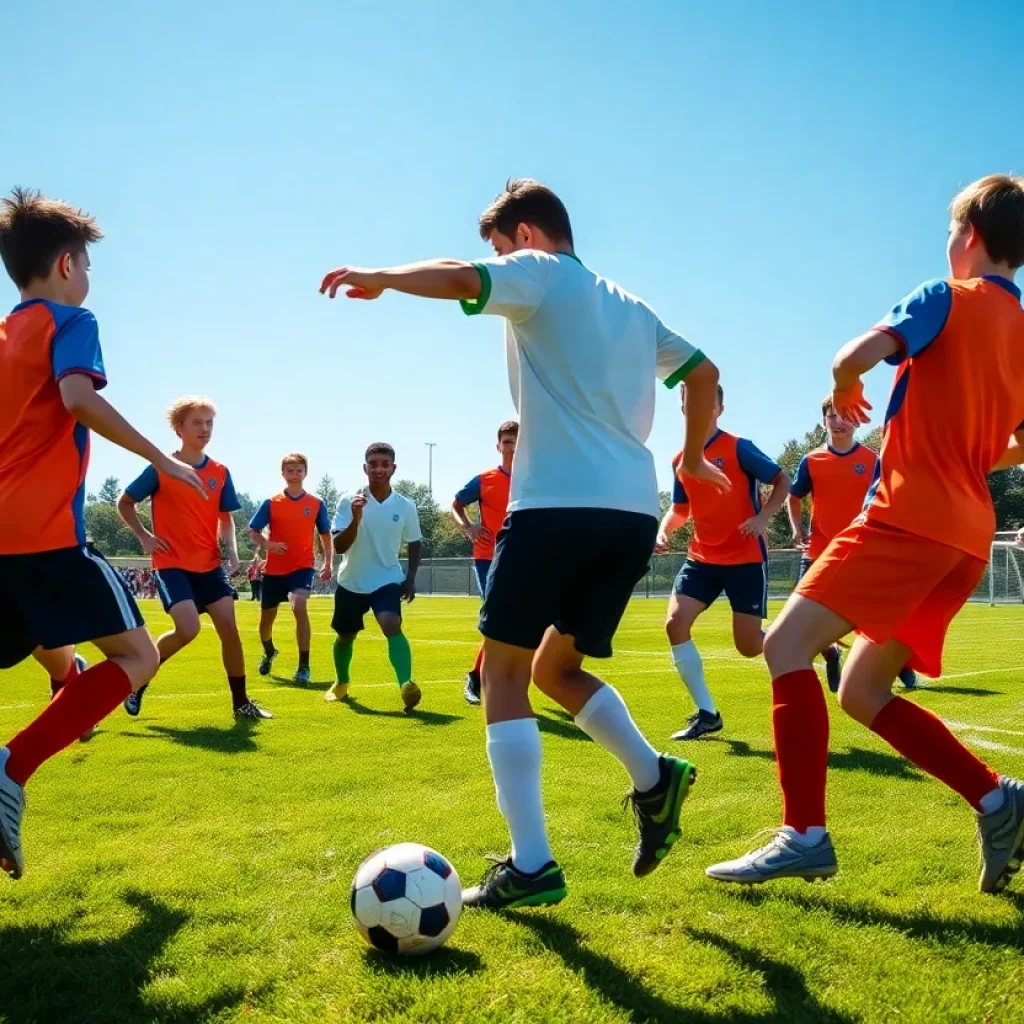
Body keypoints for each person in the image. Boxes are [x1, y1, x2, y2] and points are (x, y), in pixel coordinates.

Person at [321, 177, 726, 910]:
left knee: (503, 675)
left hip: (556, 506)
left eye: (503, 247)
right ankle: (655, 778)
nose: (501, 263)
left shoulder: (539, 273)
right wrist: (693, 457)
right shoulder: (632, 307)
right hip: (631, 511)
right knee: (554, 670)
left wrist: (381, 276)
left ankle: (532, 865)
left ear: (529, 237)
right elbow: (705, 375)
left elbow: (458, 276)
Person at [706, 174, 1024, 893]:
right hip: (968, 536)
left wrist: (845, 380)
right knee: (860, 691)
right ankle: (998, 799)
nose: (947, 242)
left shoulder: (944, 294)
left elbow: (853, 356)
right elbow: (1020, 445)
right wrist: (967, 448)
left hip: (909, 518)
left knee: (785, 646)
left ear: (969, 235)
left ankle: (804, 835)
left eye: (950, 229)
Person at [0, 187, 204, 880]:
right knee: (139, 657)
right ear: (65, 263)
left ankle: (64, 693)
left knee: (52, 649)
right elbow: (79, 399)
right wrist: (162, 459)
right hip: (43, 531)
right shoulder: (71, 320)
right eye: (86, 265)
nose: (87, 278)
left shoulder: (3, 336)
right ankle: (12, 766)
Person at [117, 397, 271, 720]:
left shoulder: (220, 471)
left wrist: (233, 552)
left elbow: (225, 519)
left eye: (209, 423)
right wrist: (144, 536)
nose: (205, 429)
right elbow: (125, 502)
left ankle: (241, 703)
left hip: (210, 565)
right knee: (188, 629)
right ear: (179, 428)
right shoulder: (162, 467)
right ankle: (138, 679)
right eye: (197, 423)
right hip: (171, 564)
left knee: (229, 628)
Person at [656, 384, 790, 740]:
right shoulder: (681, 459)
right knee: (675, 623)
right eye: (688, 402)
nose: (695, 408)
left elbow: (782, 480)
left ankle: (808, 641)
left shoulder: (738, 448)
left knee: (747, 646)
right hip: (702, 557)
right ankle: (707, 713)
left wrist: (763, 518)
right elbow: (681, 508)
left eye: (704, 402)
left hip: (744, 558)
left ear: (719, 408)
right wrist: (664, 529)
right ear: (683, 407)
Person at [788, 400, 918, 694]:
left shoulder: (874, 461)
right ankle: (832, 654)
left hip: (863, 551)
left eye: (846, 416)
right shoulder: (811, 460)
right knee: (801, 621)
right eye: (832, 415)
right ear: (824, 421)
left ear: (857, 421)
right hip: (819, 553)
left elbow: (890, 500)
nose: (838, 421)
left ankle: (900, 664)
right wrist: (797, 529)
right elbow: (793, 496)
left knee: (879, 617)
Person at [325, 444, 423, 711]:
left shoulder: (405, 506)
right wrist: (356, 519)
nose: (379, 468)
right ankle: (342, 682)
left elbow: (415, 543)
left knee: (391, 624)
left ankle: (406, 685)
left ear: (393, 468)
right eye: (373, 463)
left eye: (384, 464)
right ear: (365, 468)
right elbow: (341, 546)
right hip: (352, 581)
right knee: (346, 636)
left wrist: (410, 577)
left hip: (387, 579)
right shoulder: (349, 500)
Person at [248, 454, 333, 686]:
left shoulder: (316, 504)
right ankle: (269, 652)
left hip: (302, 566)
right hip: (274, 570)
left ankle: (304, 666)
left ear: (306, 472)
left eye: (299, 470)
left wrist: (328, 562)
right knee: (266, 621)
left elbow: (325, 534)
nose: (295, 474)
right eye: (290, 470)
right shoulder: (271, 502)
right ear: (283, 473)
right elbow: (253, 531)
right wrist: (268, 545)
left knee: (299, 605)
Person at [452, 420, 518, 705]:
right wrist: (468, 526)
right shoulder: (485, 479)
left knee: (519, 620)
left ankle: (503, 679)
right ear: (498, 445)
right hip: (488, 558)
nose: (511, 446)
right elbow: (456, 503)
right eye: (506, 441)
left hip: (524, 557)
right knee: (497, 616)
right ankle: (476, 678)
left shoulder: (534, 479)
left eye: (516, 440)